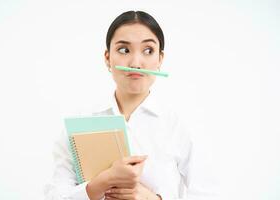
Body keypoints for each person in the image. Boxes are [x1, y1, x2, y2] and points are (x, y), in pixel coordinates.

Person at [44, 10, 218, 200]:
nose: (135, 63)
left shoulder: (178, 124)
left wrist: (151, 199)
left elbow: (207, 194)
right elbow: (55, 195)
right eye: (124, 50)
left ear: (160, 59)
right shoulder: (80, 123)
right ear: (107, 58)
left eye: (148, 51)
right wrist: (101, 183)